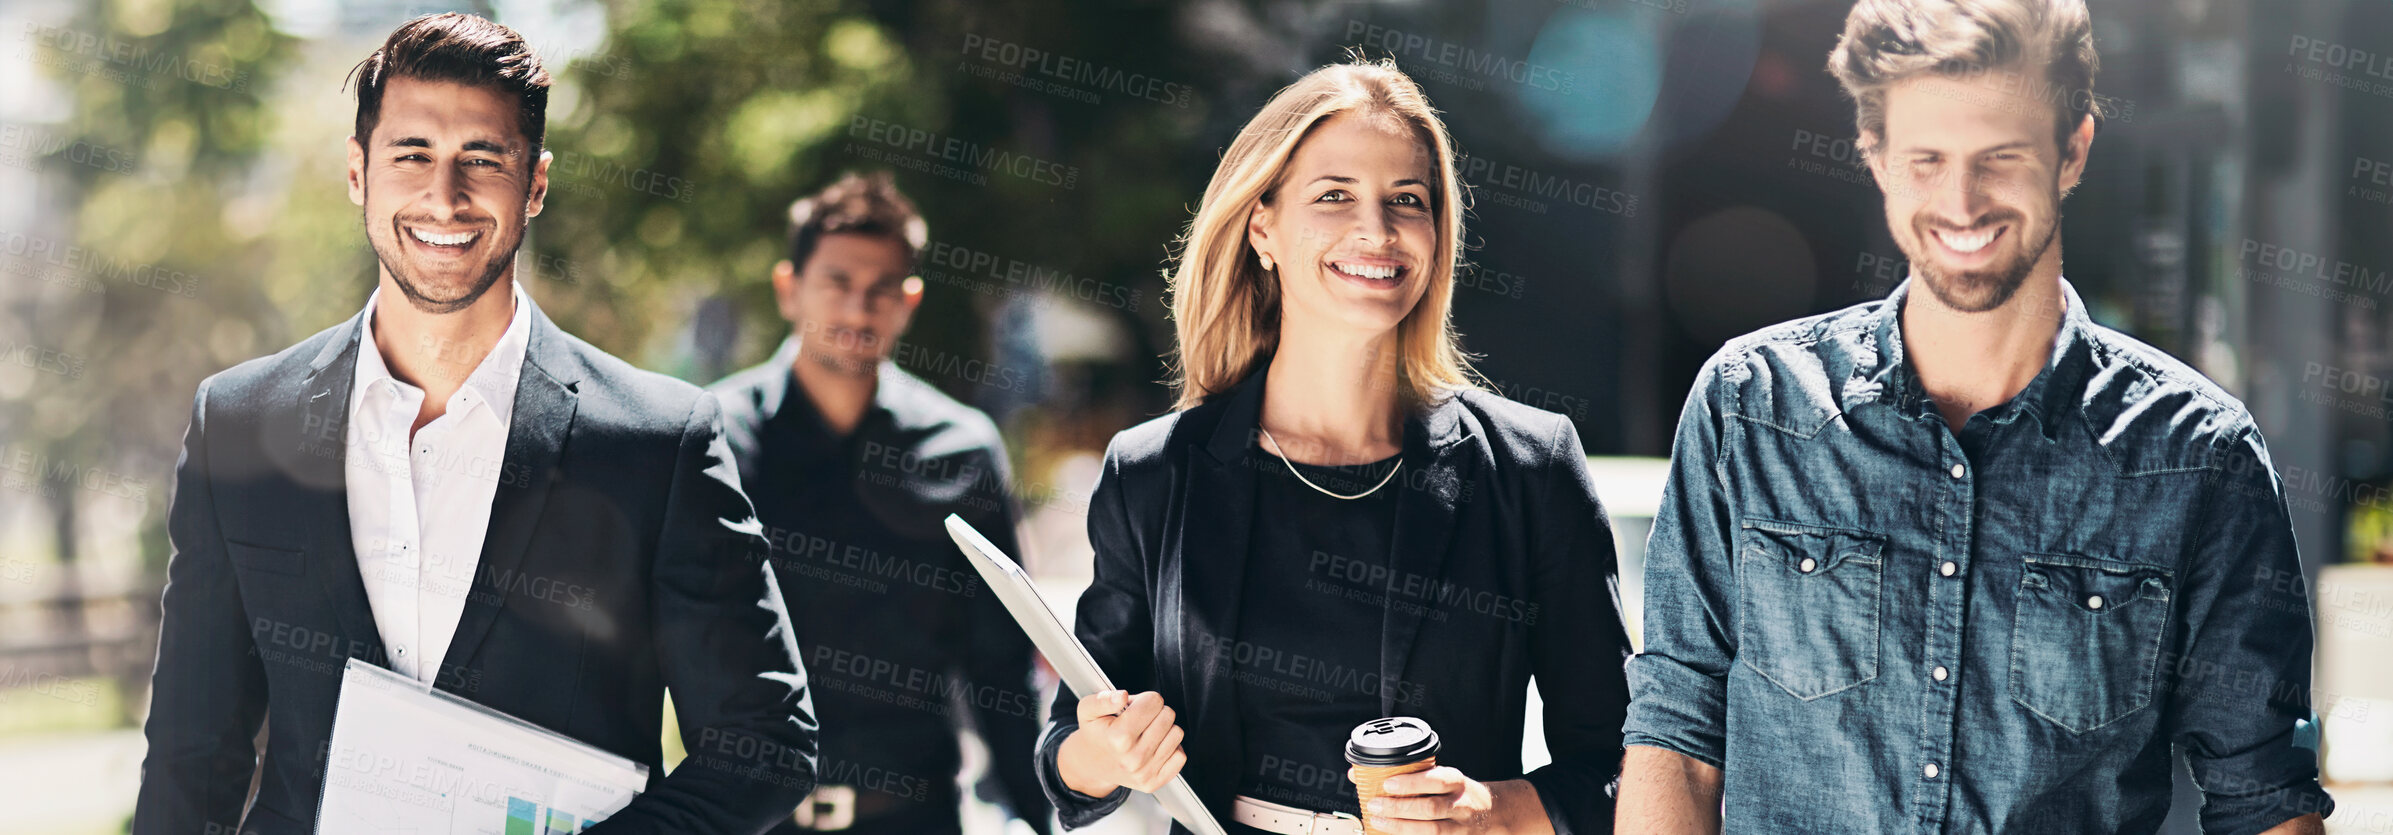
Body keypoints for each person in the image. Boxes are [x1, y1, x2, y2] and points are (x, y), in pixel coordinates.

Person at [1616, 1, 2334, 832]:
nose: (1961, 201)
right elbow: (1677, 733)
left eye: (1999, 157)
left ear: (2072, 151)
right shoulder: (1751, 407)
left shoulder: (2197, 456)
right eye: (1926, 158)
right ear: (1874, 155)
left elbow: (2261, 797)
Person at [133, 14, 817, 834]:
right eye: (411, 154)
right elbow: (192, 749)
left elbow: (764, 745)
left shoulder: (656, 443)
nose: (444, 197)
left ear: (535, 181)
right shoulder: (238, 423)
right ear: (358, 173)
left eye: (482, 160)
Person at [1034, 59, 1632, 835]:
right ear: (1262, 227)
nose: (1376, 231)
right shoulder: (1156, 470)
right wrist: (1106, 754)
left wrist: (1497, 811)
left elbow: (1629, 766)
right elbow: (1065, 752)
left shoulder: (1528, 467)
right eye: (1334, 195)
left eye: (1406, 201)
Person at [711, 171, 1055, 835]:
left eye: (882, 289)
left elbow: (1001, 666)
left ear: (909, 301)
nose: (857, 310)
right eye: (836, 283)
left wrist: (1038, 817)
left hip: (915, 817)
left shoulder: (963, 448)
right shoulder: (713, 437)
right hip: (742, 817)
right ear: (789, 288)